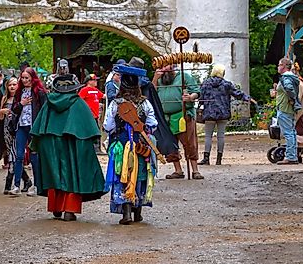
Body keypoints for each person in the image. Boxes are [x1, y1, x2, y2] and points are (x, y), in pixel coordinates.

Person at [30, 75, 106, 221]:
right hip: (72, 143)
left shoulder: (49, 103)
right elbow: (89, 128)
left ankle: (56, 208)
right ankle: (69, 210)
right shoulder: (78, 103)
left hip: (50, 143)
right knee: (72, 173)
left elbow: (38, 128)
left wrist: (38, 145)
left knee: (54, 173)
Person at [103, 65, 159, 225]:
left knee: (123, 175)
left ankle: (126, 213)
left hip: (121, 145)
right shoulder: (145, 103)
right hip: (141, 146)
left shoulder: (115, 104)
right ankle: (137, 213)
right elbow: (153, 124)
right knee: (140, 175)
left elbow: (107, 126)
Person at [197, 64, 256, 165]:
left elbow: (201, 97)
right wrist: (248, 99)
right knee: (221, 136)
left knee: (208, 136)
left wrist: (201, 106)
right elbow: (237, 93)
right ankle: (219, 159)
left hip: (209, 112)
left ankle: (206, 158)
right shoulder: (226, 84)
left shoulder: (206, 84)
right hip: (223, 112)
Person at [153, 64, 203, 180]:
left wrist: (190, 97)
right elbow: (152, 93)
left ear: (173, 67)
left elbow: (196, 92)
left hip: (183, 115)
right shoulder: (159, 79)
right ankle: (178, 170)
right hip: (165, 118)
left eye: (167, 67)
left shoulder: (184, 76)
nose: (164, 69)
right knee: (170, 145)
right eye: (162, 67)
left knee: (189, 143)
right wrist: (155, 78)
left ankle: (195, 170)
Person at [8, 67, 47, 196]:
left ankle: (37, 186)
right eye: (23, 78)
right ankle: (17, 185)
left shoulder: (39, 92)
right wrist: (21, 103)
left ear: (32, 78)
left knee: (34, 156)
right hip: (21, 126)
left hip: (33, 127)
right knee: (19, 156)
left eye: (27, 78)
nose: (24, 80)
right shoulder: (20, 92)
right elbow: (15, 108)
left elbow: (44, 110)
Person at [0, 76, 31, 195]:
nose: (12, 87)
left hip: (17, 129)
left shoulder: (19, 99)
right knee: (12, 155)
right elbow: (0, 117)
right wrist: (2, 112)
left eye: (14, 84)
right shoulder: (4, 98)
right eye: (10, 85)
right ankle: (26, 180)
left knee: (14, 155)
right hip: (7, 130)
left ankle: (9, 183)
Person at [272, 57, 302, 165]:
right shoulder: (292, 77)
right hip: (288, 108)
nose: (278, 67)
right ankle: (293, 155)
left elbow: (289, 89)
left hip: (285, 107)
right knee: (292, 132)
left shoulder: (286, 78)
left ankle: (290, 157)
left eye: (279, 65)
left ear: (284, 66)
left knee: (288, 133)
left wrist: (291, 99)